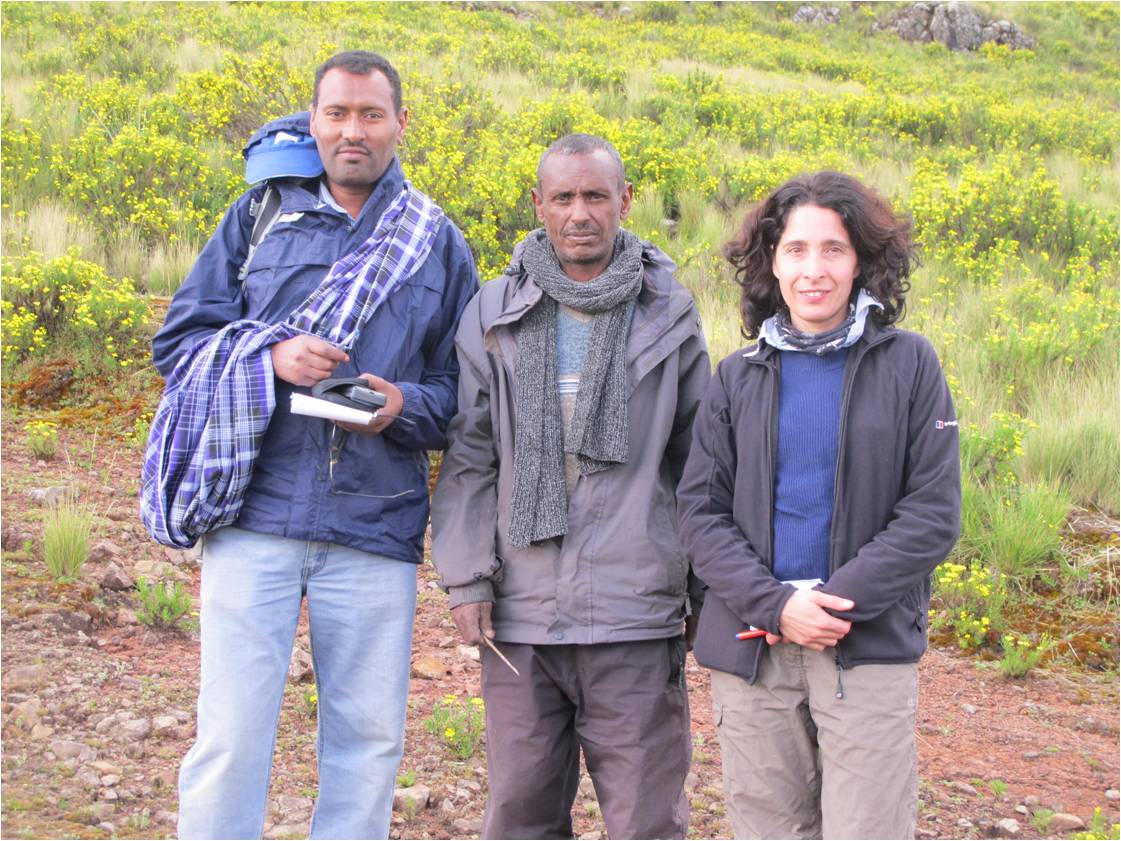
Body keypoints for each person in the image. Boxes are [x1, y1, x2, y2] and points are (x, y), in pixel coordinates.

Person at [151, 51, 478, 839]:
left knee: (367, 746)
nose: (352, 130)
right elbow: (180, 343)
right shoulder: (259, 216)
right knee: (230, 737)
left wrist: (401, 405)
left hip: (375, 524)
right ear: (313, 121)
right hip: (254, 515)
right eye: (336, 114)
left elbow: (465, 396)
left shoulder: (436, 241)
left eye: (370, 114)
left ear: (400, 123)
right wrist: (268, 357)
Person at [430, 134, 710, 840]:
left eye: (594, 195)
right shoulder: (494, 311)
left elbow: (699, 465)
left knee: (645, 819)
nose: (579, 212)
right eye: (563, 197)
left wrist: (705, 592)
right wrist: (466, 579)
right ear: (538, 205)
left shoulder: (669, 313)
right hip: (521, 619)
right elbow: (471, 457)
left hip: (634, 616)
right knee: (521, 811)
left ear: (624, 201)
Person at [676, 171, 961, 840]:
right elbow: (699, 513)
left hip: (863, 646)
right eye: (795, 250)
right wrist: (774, 604)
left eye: (832, 249)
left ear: (860, 258)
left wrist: (831, 608)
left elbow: (931, 513)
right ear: (770, 263)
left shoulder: (910, 365)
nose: (814, 270)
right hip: (754, 650)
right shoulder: (735, 376)